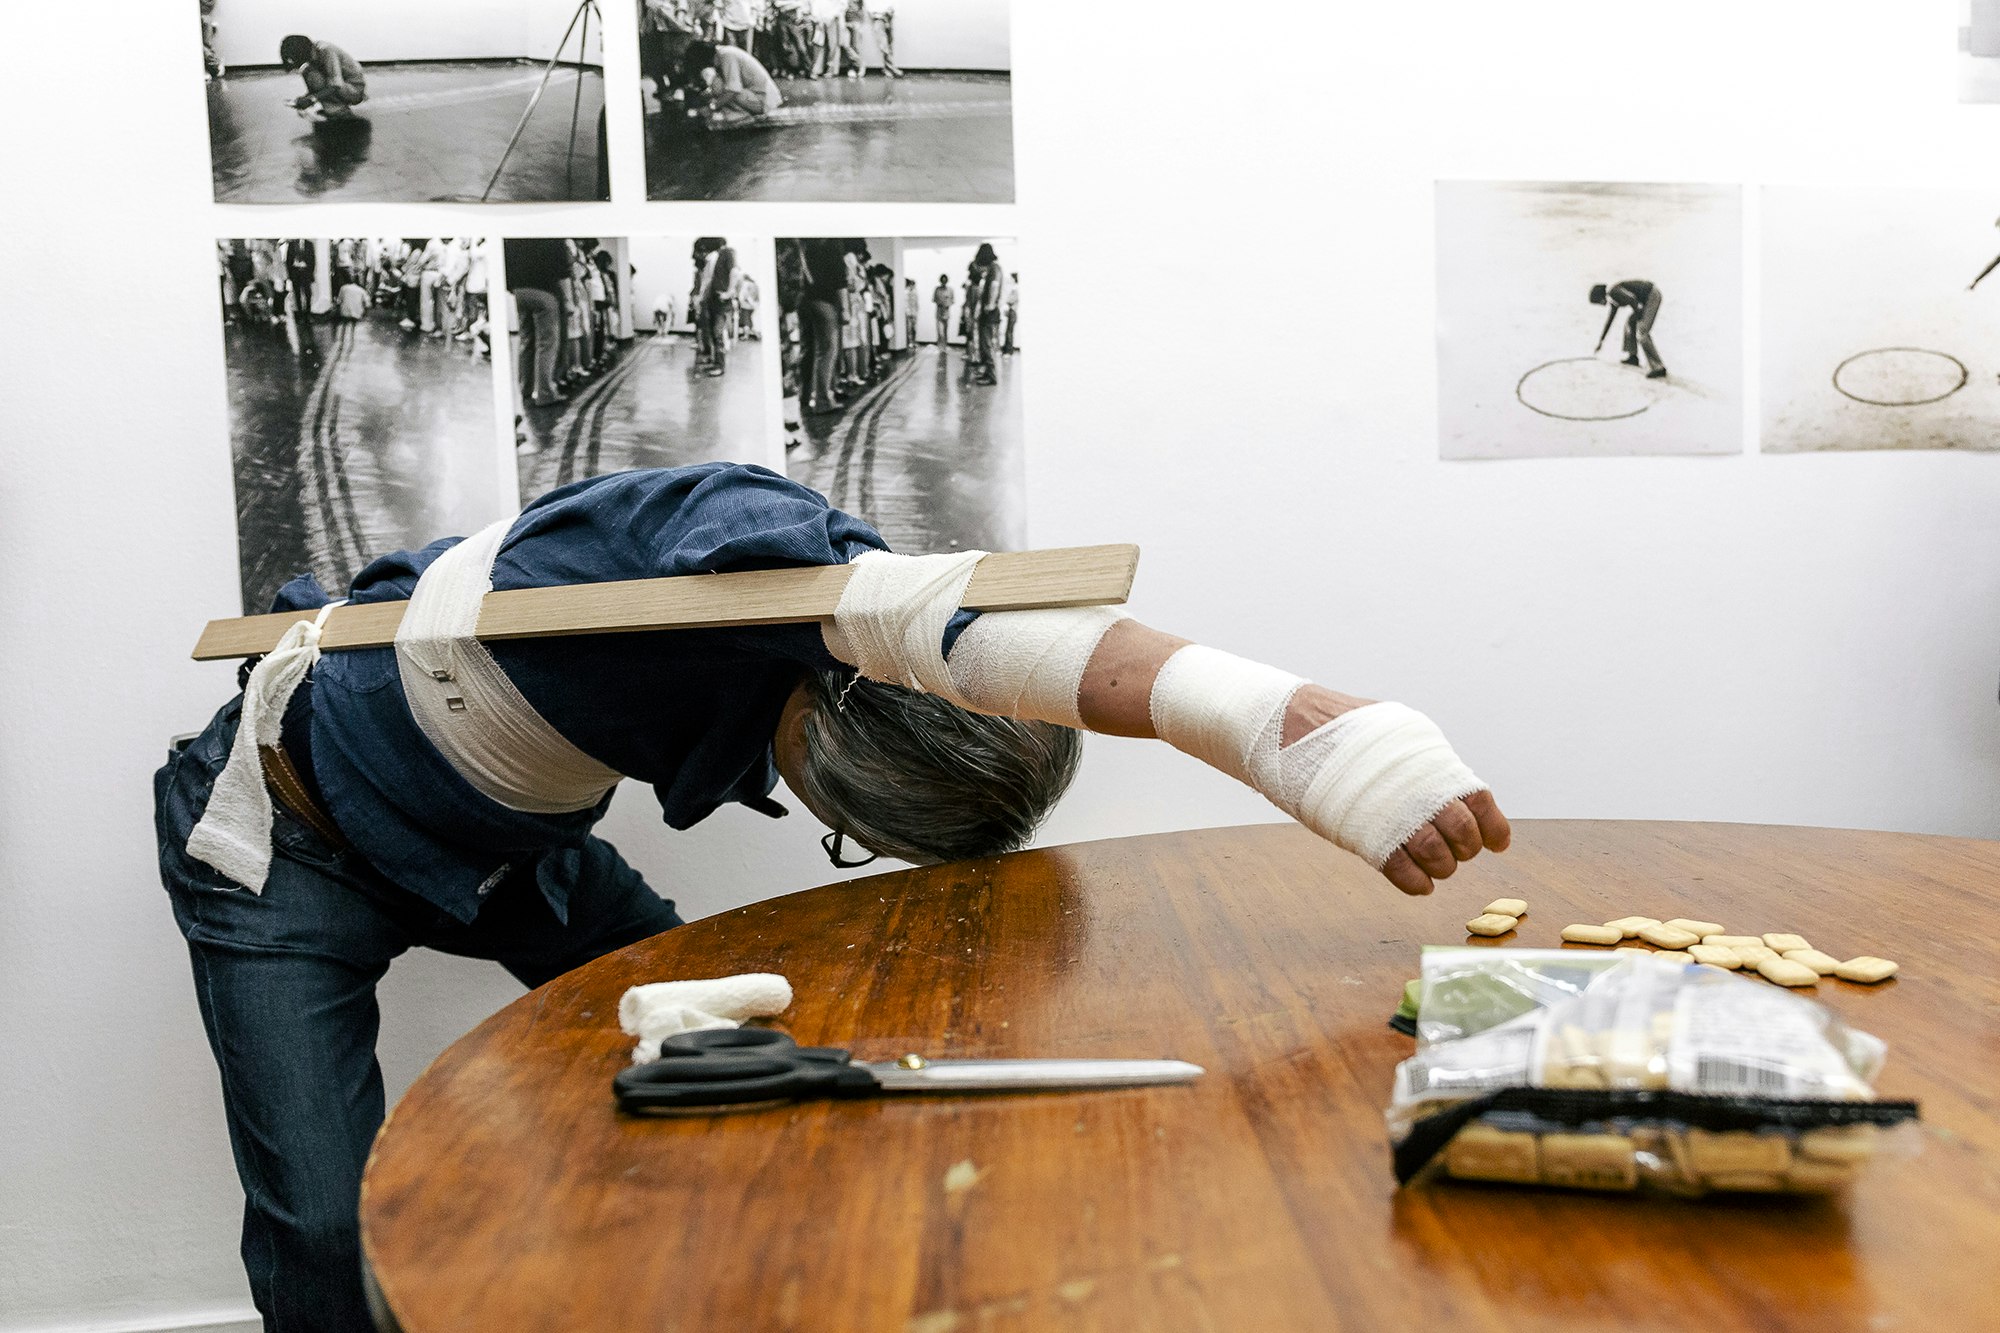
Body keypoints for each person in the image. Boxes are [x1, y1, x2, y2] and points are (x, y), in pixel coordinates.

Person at [155, 462, 1509, 1333]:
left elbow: (956, 638)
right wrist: (1277, 720)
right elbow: (944, 622)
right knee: (325, 1224)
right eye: (847, 821)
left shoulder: (813, 633)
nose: (821, 824)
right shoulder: (705, 553)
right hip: (287, 843)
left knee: (746, 1060)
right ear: (851, 719)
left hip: (519, 852)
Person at [503, 238, 571, 409]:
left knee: (526, 341)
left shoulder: (513, 238)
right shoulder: (552, 236)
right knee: (547, 344)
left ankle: (525, 390)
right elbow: (563, 271)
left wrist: (514, 288)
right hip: (545, 292)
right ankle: (545, 393)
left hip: (520, 291)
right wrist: (569, 301)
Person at [800, 237, 849, 413]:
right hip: (826, 301)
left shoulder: (805, 244)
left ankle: (805, 397)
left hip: (805, 300)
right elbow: (839, 279)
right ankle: (822, 401)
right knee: (827, 351)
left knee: (809, 349)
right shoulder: (832, 243)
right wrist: (845, 309)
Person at [1590, 280, 1667, 380]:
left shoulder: (1614, 292)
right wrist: (1601, 340)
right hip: (1645, 299)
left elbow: (1632, 299)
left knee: (1642, 333)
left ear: (1601, 297)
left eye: (1599, 302)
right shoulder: (1613, 298)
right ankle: (1633, 356)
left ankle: (1658, 367)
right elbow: (1610, 320)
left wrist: (1640, 317)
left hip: (1652, 296)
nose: (1601, 304)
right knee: (1630, 323)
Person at [279, 35, 367, 120]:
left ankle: (338, 109)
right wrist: (307, 97)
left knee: (311, 74)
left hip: (354, 89)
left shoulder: (326, 51)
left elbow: (335, 85)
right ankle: (331, 106)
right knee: (307, 71)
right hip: (344, 86)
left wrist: (311, 99)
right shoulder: (313, 51)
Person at [862, 0, 902, 76]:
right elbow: (868, 5)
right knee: (883, 44)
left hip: (889, 16)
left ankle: (887, 69)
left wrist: (892, 12)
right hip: (878, 17)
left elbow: (895, 3)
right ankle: (891, 67)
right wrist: (875, 14)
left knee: (889, 43)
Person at [738, 271, 761, 339]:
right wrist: (754, 304)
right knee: (749, 322)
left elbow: (745, 295)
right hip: (753, 306)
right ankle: (757, 335)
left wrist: (742, 301)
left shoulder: (746, 284)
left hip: (746, 305)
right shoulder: (755, 285)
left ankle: (746, 336)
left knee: (746, 321)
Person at [933, 274, 954, 346]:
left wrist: (947, 304)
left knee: (945, 331)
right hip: (939, 313)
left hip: (946, 313)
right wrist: (940, 303)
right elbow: (934, 299)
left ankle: (945, 346)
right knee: (940, 331)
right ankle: (940, 345)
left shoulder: (950, 290)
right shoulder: (937, 289)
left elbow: (952, 300)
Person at [1002, 273, 1019, 353]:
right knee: (1008, 331)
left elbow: (1010, 300)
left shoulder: (1015, 289)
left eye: (1011, 278)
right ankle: (1007, 349)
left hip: (1013, 311)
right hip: (1012, 311)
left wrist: (1006, 298)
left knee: (1009, 332)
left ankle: (1008, 351)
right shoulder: (1014, 288)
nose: (1010, 280)